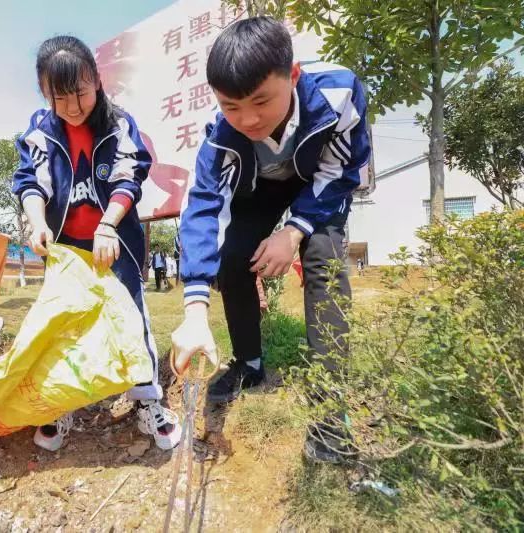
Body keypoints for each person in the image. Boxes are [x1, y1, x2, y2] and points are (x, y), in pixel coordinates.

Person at [171, 17, 370, 461]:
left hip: (317, 185)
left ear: (293, 75)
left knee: (323, 261)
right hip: (258, 190)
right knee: (233, 259)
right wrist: (195, 310)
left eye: (261, 101)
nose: (249, 119)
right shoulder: (219, 134)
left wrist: (295, 230)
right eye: (232, 107)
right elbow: (204, 208)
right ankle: (250, 364)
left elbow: (342, 171)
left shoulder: (338, 93)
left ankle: (329, 411)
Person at [12, 35, 180, 452]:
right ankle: (62, 402)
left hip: (114, 239)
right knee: (65, 323)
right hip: (65, 245)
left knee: (129, 317)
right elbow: (31, 181)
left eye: (81, 93)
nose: (72, 107)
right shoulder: (40, 128)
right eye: (59, 97)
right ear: (43, 92)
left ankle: (146, 401)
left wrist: (107, 226)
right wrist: (36, 223)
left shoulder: (118, 122)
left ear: (96, 80)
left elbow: (130, 176)